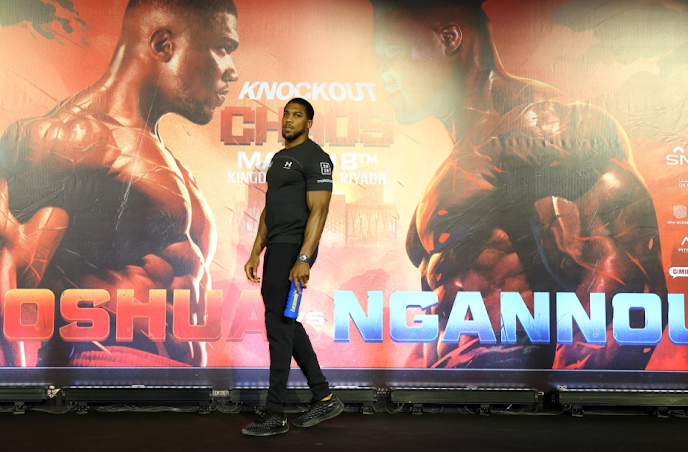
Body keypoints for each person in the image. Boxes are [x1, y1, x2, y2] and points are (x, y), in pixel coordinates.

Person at [372, 0, 667, 369]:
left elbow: (622, 300)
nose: (382, 72)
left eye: (392, 54)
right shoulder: (478, 155)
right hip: (457, 401)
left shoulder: (551, 139)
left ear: (450, 39)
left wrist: (559, 409)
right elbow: (445, 305)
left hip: (516, 409)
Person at [0, 0, 239, 367]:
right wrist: (6, 411)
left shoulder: (167, 161)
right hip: (105, 377)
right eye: (224, 48)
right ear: (165, 43)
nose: (232, 71)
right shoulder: (69, 141)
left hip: (175, 390)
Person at [241, 98, 343, 436]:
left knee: (278, 326)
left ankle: (274, 412)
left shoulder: (316, 158)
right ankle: (324, 395)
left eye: (297, 115)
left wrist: (303, 258)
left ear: (309, 123)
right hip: (276, 247)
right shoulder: (279, 159)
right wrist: (256, 251)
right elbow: (269, 210)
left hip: (294, 248)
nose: (288, 119)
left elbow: (320, 211)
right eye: (286, 114)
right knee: (285, 321)